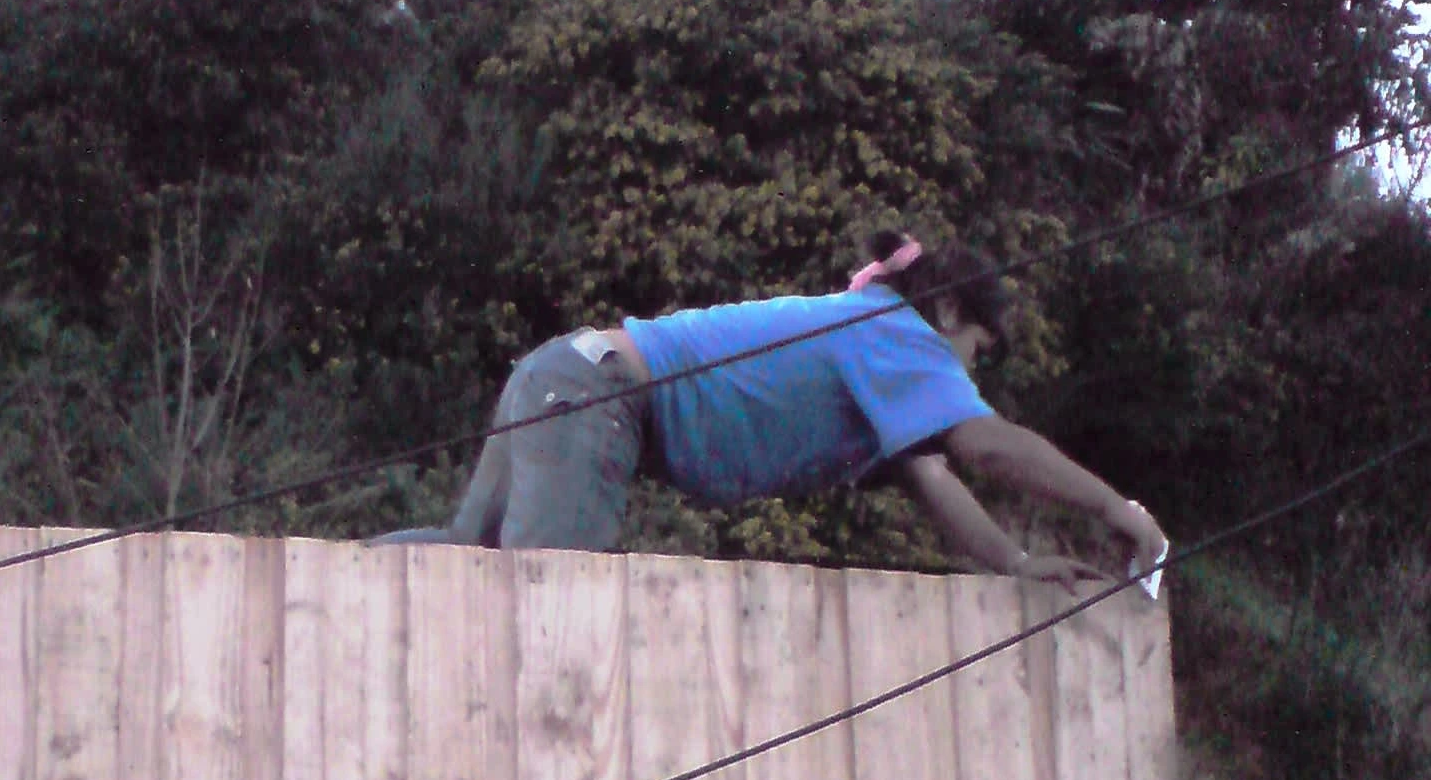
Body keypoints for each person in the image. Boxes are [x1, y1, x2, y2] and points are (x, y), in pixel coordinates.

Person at [377, 231, 1168, 593]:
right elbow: (988, 450)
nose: (969, 374)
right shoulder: (894, 331)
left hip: (565, 376)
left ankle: (284, 568)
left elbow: (937, 479)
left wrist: (1019, 566)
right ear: (950, 312)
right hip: (594, 396)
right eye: (977, 350)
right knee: (546, 600)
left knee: (464, 563)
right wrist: (1116, 507)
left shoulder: (876, 354)